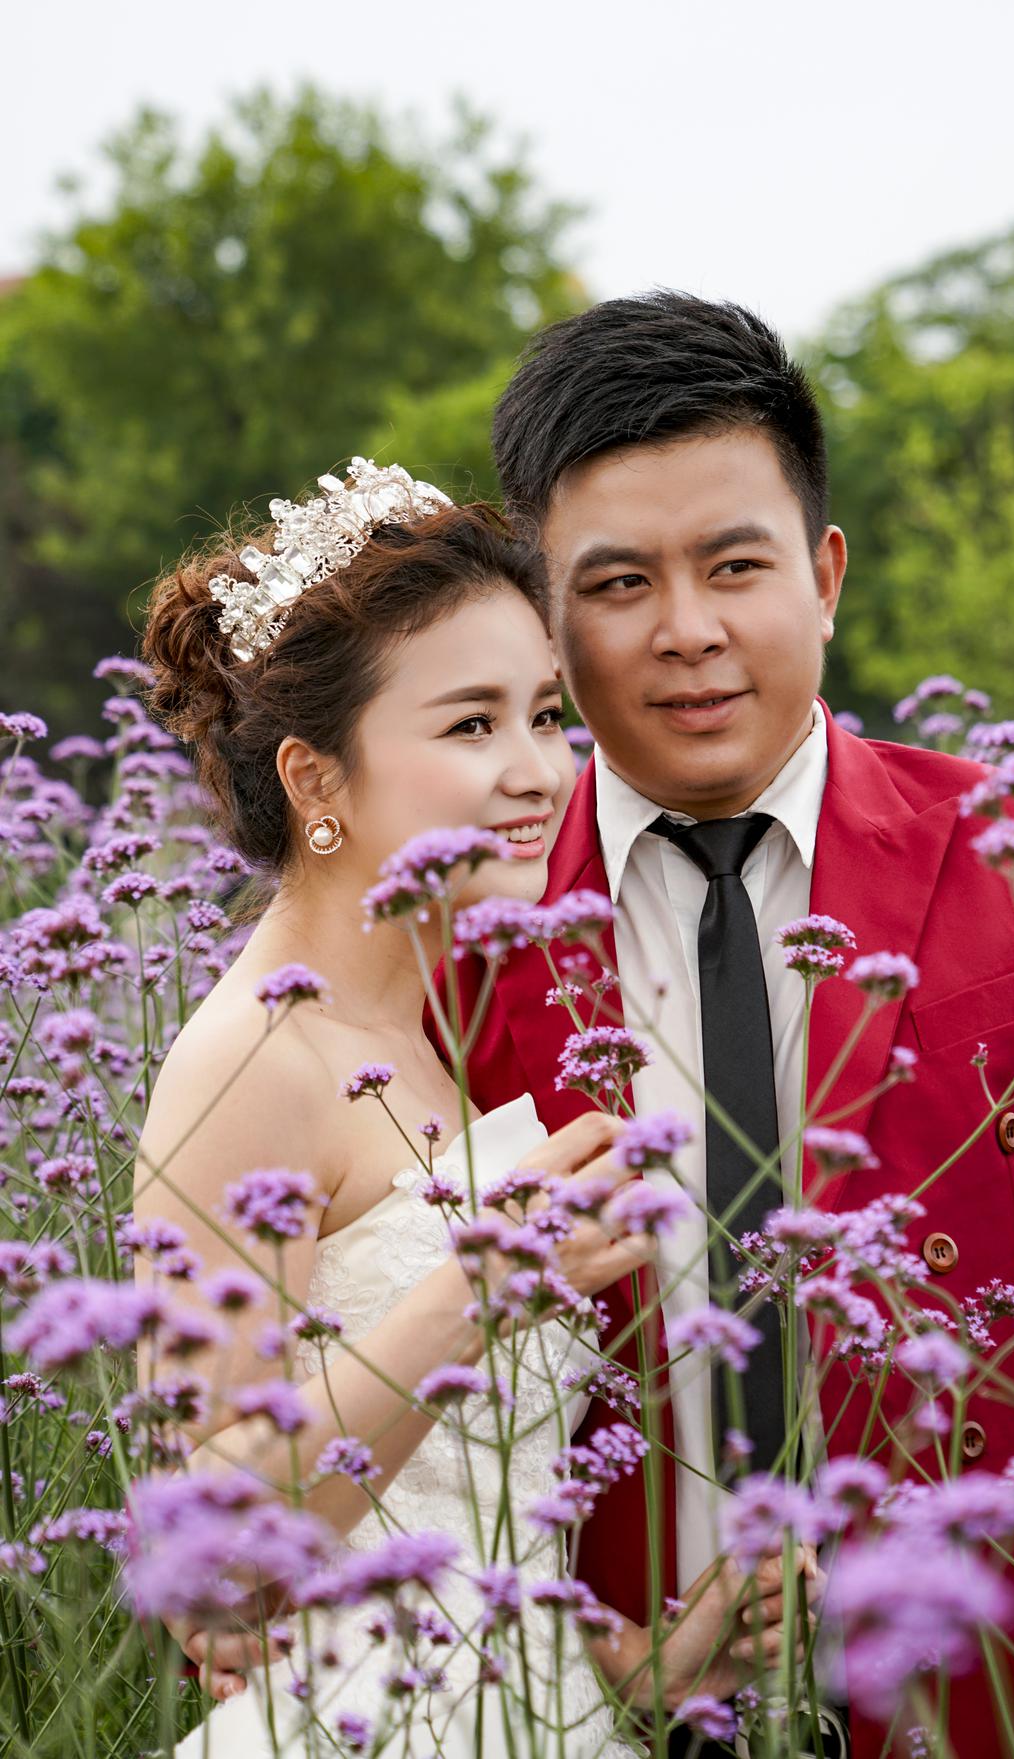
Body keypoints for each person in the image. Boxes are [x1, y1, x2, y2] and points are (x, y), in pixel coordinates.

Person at [446, 293, 1014, 1757]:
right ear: (547, 619)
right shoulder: (473, 923)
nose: (690, 632)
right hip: (608, 1702)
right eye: (619, 584)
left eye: (736, 566)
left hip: (985, 1680)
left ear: (825, 574)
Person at [135, 465, 794, 1756]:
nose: (540, 771)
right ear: (316, 780)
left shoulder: (430, 1039)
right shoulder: (254, 1063)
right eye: (471, 725)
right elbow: (211, 1562)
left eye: (545, 715)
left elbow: (462, 1517)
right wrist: (481, 1286)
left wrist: (653, 1666)